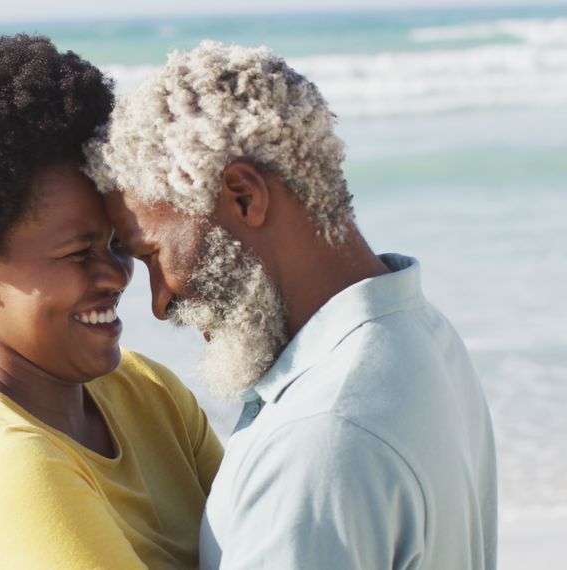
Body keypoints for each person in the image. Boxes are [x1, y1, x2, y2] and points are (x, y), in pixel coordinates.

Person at [84, 41, 497, 569]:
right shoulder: (428, 336)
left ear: (244, 196)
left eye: (153, 254)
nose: (160, 302)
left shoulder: (320, 436)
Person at [0, 34, 223, 569]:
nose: (115, 275)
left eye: (116, 244)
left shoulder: (150, 393)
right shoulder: (9, 464)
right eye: (78, 253)